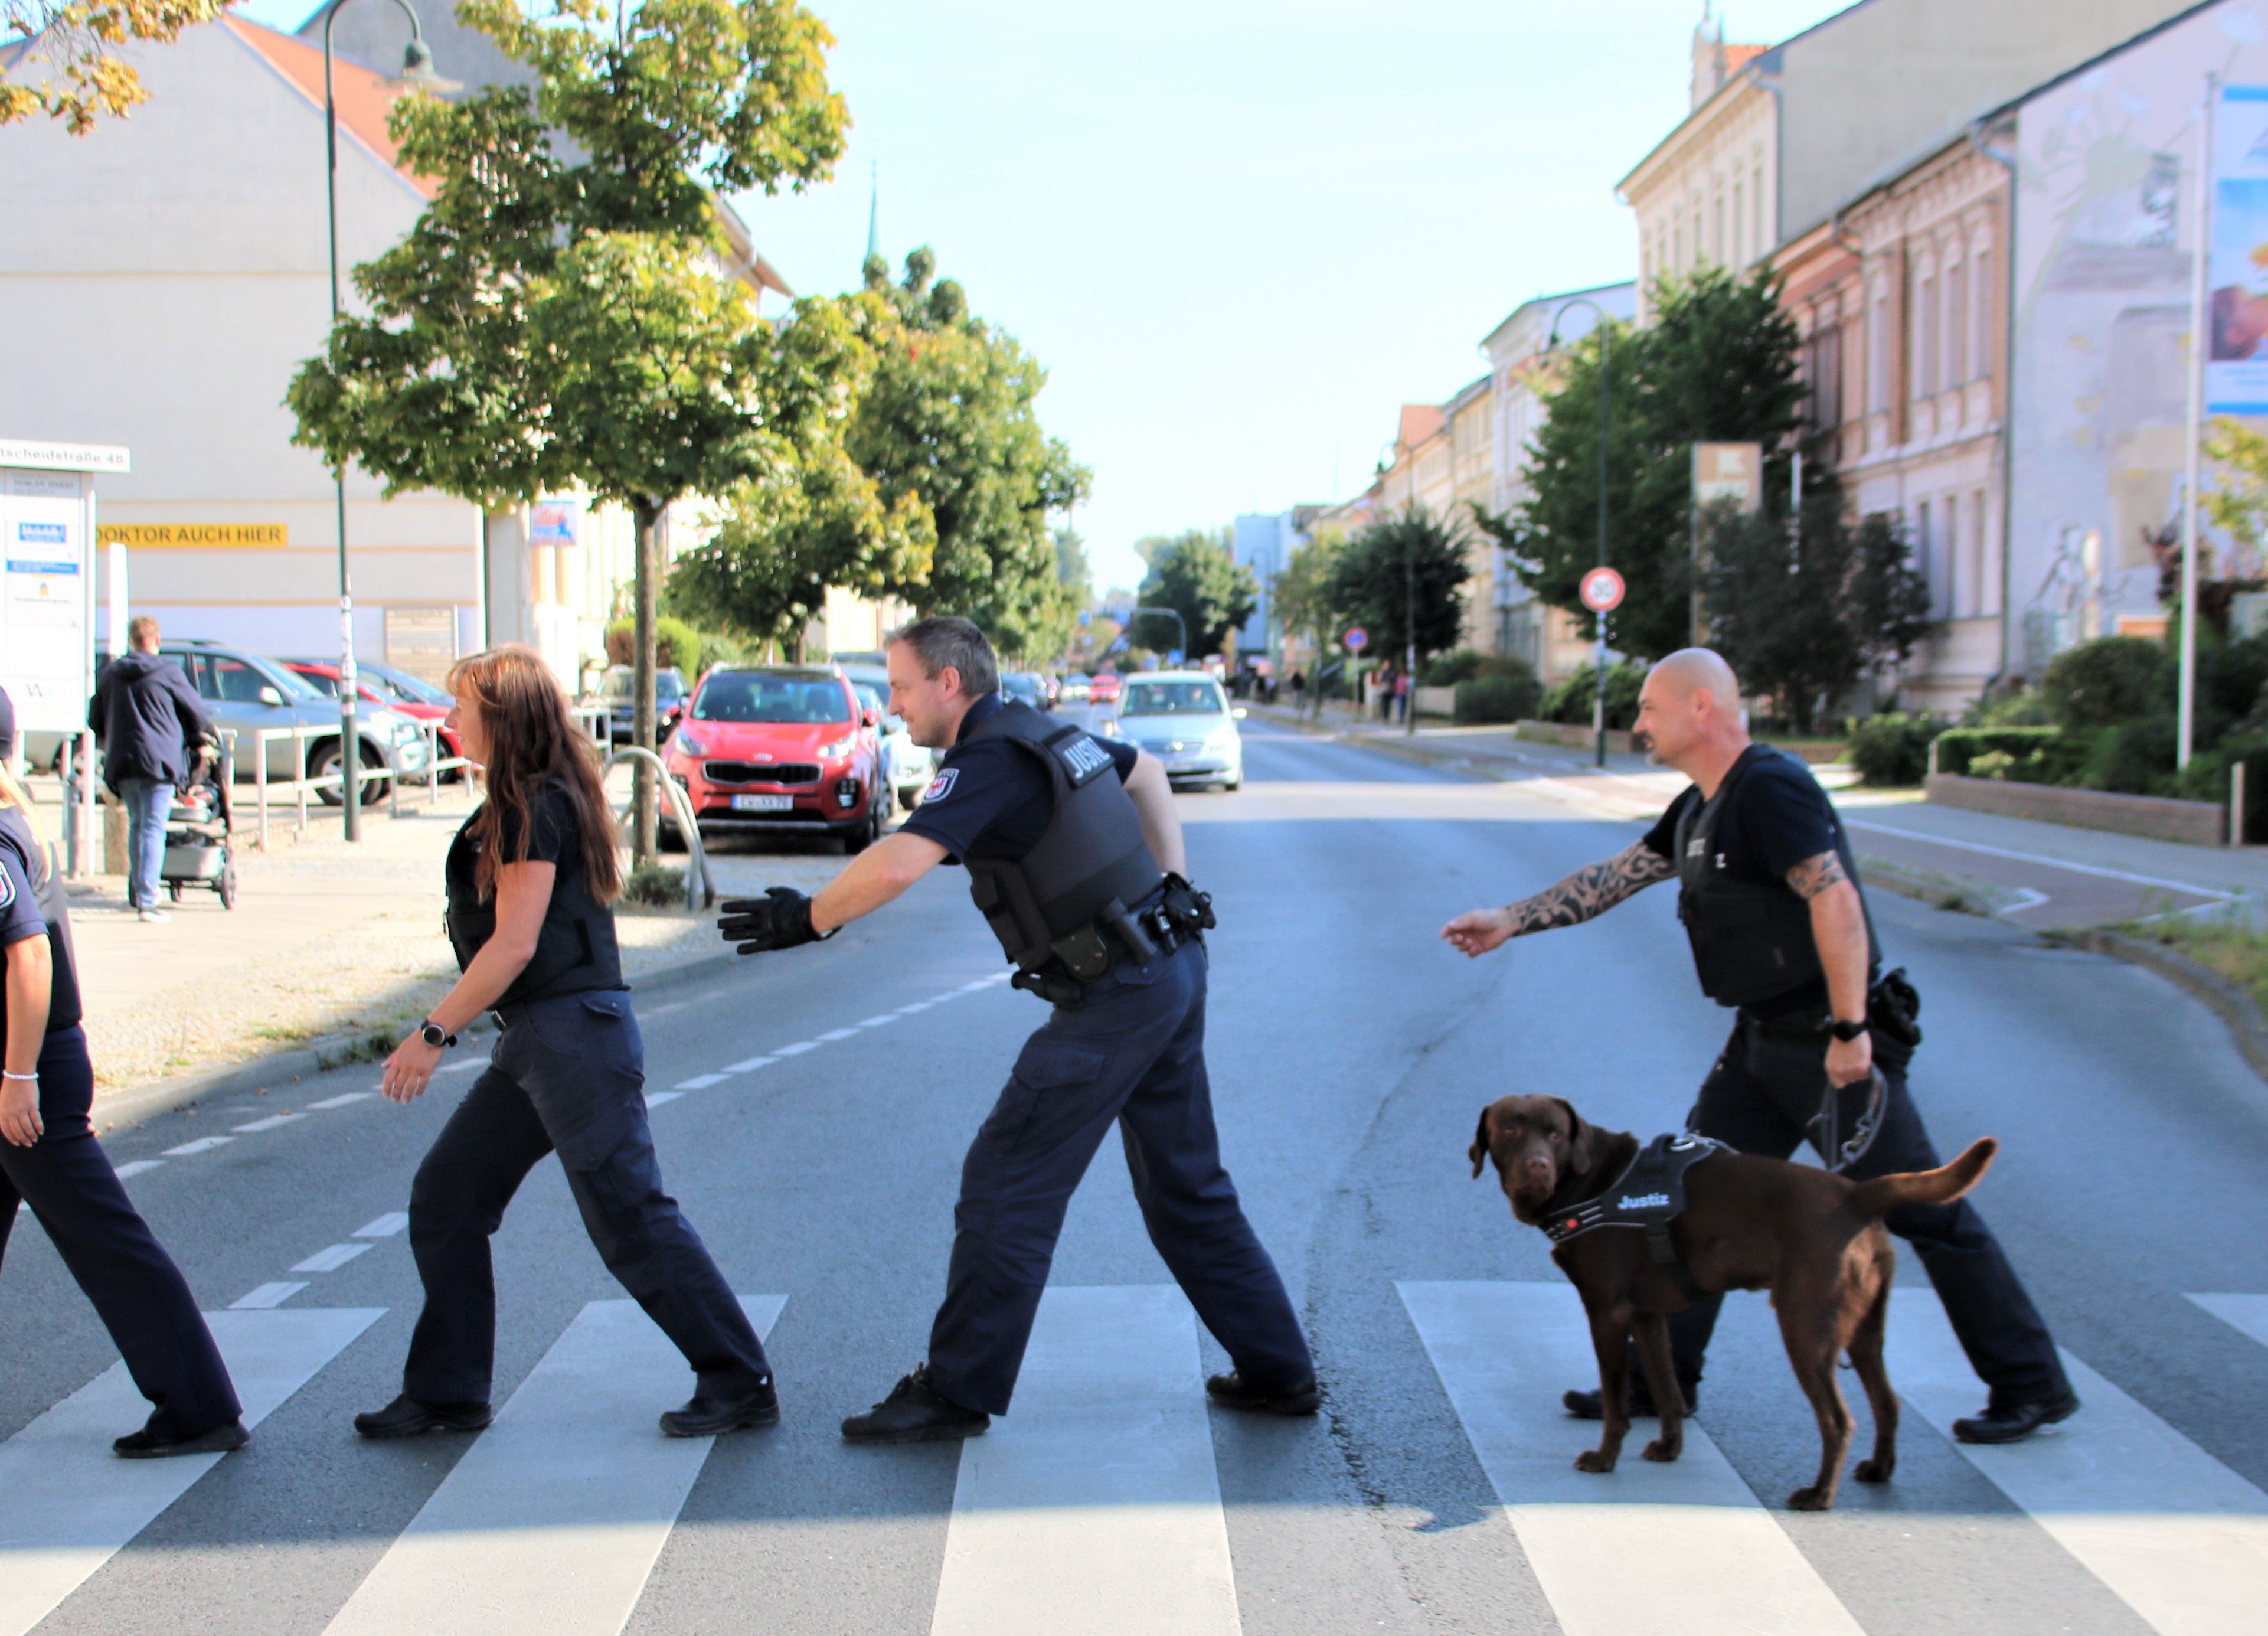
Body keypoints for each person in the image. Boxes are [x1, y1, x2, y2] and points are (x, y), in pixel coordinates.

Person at [1440, 648, 2077, 1444]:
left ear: (1700, 706)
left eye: (1648, 707)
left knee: (1924, 1210)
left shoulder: (1770, 789)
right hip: (1758, 1045)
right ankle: (1656, 1382)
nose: (1636, 722)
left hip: (1824, 1044)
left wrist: (1849, 1031)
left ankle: (2029, 1382)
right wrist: (1511, 916)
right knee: (1678, 1191)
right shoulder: (1702, 802)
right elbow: (1618, 874)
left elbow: (1833, 897)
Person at [719, 615, 1316, 1441]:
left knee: (1006, 1181)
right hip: (1168, 967)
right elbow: (1146, 776)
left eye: (898, 687)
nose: (891, 707)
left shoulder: (988, 758)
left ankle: (956, 1389)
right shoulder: (1042, 730)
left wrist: (805, 919)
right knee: (1187, 1188)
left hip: (1117, 991)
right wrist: (1172, 880)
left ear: (947, 683)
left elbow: (899, 860)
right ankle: (1280, 1369)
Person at [358, 645, 776, 1441]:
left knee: (630, 1214)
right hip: (541, 1040)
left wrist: (431, 1032)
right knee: (447, 1197)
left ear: (502, 718)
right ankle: (447, 1391)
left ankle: (738, 1375)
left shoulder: (531, 806)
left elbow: (514, 944)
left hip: (570, 1039)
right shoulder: (525, 799)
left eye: (461, 707)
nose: (448, 720)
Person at [0, 673, 244, 1460]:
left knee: (104, 1237)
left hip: (17, 1073)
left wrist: (20, 1078)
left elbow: (29, 956)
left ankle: (199, 1406)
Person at [85, 616, 215, 923]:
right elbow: (196, 712)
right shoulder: (167, 672)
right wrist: (199, 736)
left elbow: (94, 717)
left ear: (132, 641)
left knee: (138, 825)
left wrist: (112, 736)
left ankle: (139, 890)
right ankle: (147, 899)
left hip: (124, 760)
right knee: (153, 827)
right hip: (160, 760)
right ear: (156, 641)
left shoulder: (111, 674)